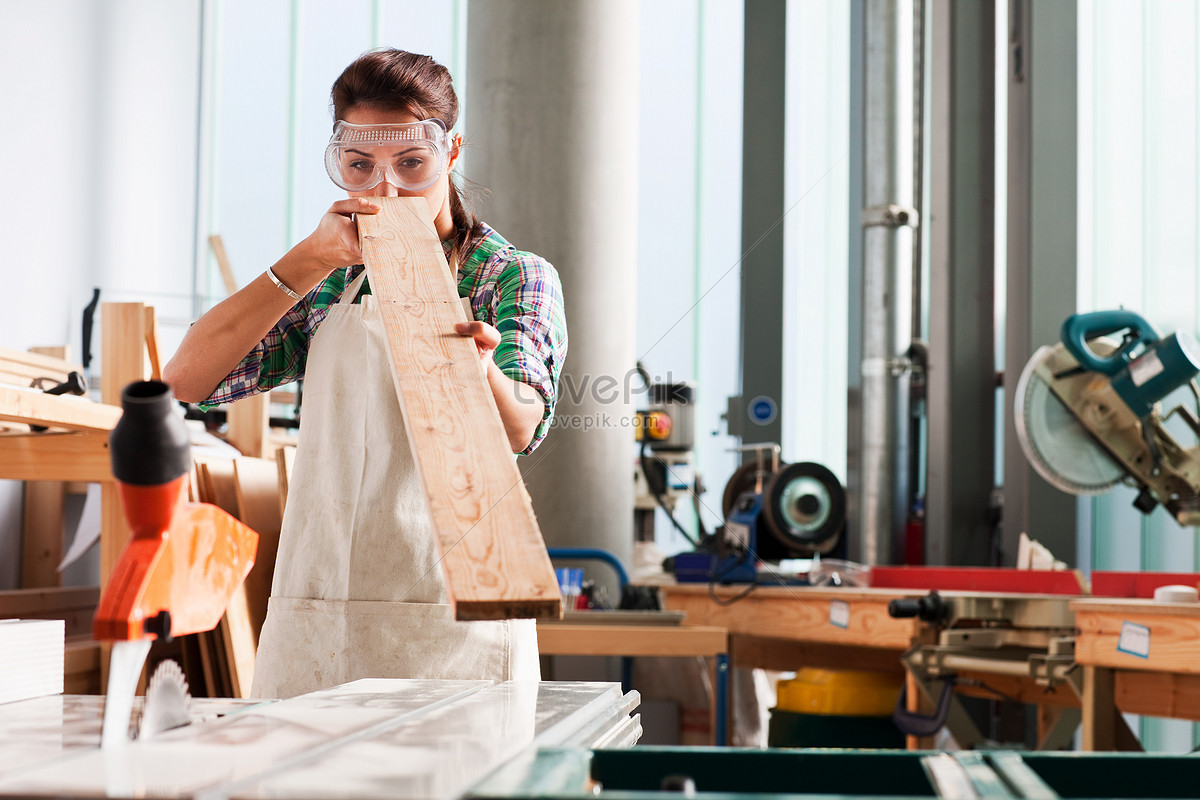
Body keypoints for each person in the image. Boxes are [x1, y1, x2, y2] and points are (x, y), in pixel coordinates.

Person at [163, 48, 567, 698]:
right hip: (324, 612)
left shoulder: (510, 276)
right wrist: (303, 263)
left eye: (411, 163)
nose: (386, 188)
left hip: (454, 625)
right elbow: (185, 380)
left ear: (451, 151)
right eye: (359, 165)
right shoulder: (328, 284)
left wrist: (481, 372)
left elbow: (521, 426)